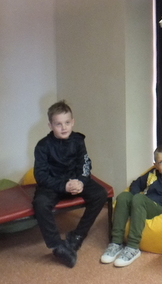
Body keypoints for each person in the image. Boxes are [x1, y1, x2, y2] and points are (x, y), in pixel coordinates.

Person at [32, 100, 107, 268]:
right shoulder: (43, 146)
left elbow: (85, 164)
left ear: (72, 122)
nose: (63, 127)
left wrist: (81, 181)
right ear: (50, 125)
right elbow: (40, 175)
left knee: (100, 194)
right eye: (58, 124)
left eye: (67, 123)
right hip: (54, 184)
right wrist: (63, 185)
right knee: (40, 203)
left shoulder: (78, 140)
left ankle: (77, 236)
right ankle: (57, 246)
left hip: (75, 180)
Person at [100, 144, 162, 268]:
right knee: (123, 196)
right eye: (161, 162)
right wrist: (133, 198)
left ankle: (133, 247)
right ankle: (116, 243)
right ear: (155, 165)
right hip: (143, 204)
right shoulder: (153, 174)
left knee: (139, 199)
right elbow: (136, 184)